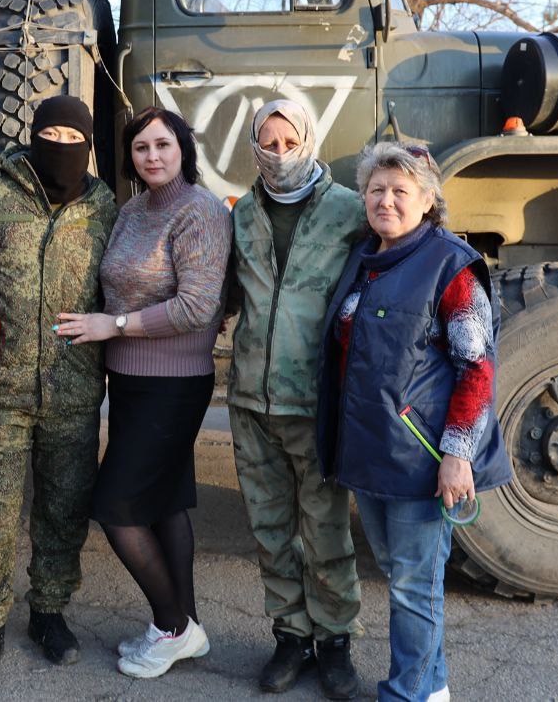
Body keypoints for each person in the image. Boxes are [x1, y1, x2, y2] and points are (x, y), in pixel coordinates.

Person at [316, 141, 512, 702]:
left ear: (428, 200)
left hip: (421, 459)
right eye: (376, 190)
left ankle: (404, 694)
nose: (386, 200)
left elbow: (475, 366)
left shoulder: (449, 265)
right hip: (373, 451)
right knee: (408, 580)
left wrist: (458, 455)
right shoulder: (365, 257)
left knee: (411, 585)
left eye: (401, 191)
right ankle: (433, 688)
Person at [55, 106, 232, 680]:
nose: (152, 156)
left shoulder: (200, 211)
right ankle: (185, 626)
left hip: (174, 383)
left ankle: (174, 626)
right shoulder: (132, 209)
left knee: (119, 508)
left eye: (163, 145)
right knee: (166, 500)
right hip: (130, 381)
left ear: (183, 148)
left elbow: (198, 306)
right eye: (140, 148)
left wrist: (118, 325)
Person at [0, 95, 118, 687]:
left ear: (89, 144)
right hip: (3, 390)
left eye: (74, 139)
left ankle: (49, 611)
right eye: (50, 135)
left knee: (63, 510)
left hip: (74, 390)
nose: (62, 148)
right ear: (31, 137)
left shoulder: (104, 204)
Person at [225, 99, 366, 698]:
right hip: (251, 402)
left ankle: (334, 643)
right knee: (271, 527)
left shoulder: (349, 212)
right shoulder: (241, 215)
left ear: (309, 138)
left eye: (290, 142)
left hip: (315, 401)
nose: (279, 155)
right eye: (268, 143)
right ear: (254, 146)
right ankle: (289, 638)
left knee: (326, 529)